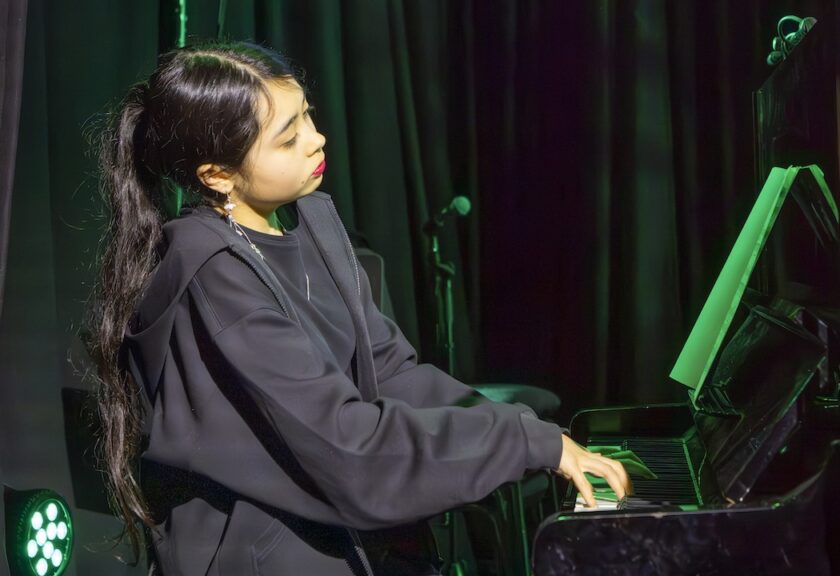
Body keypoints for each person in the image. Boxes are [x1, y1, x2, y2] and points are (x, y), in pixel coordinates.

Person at [82, 39, 631, 575]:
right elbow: (347, 450)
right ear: (217, 176)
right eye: (288, 137)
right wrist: (518, 443)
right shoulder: (215, 276)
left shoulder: (311, 222)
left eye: (308, 118)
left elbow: (390, 373)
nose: (317, 140)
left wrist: (534, 434)